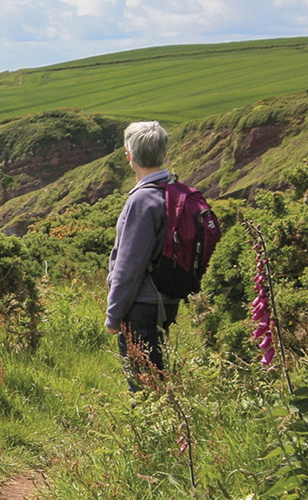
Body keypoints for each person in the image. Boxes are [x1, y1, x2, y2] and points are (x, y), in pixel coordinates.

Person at [107, 121, 179, 392]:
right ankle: (170, 427)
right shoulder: (172, 190)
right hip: (167, 300)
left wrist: (113, 315)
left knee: (144, 385)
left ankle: (158, 432)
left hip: (142, 307)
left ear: (129, 155)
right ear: (165, 152)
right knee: (157, 376)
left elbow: (129, 267)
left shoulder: (142, 200)